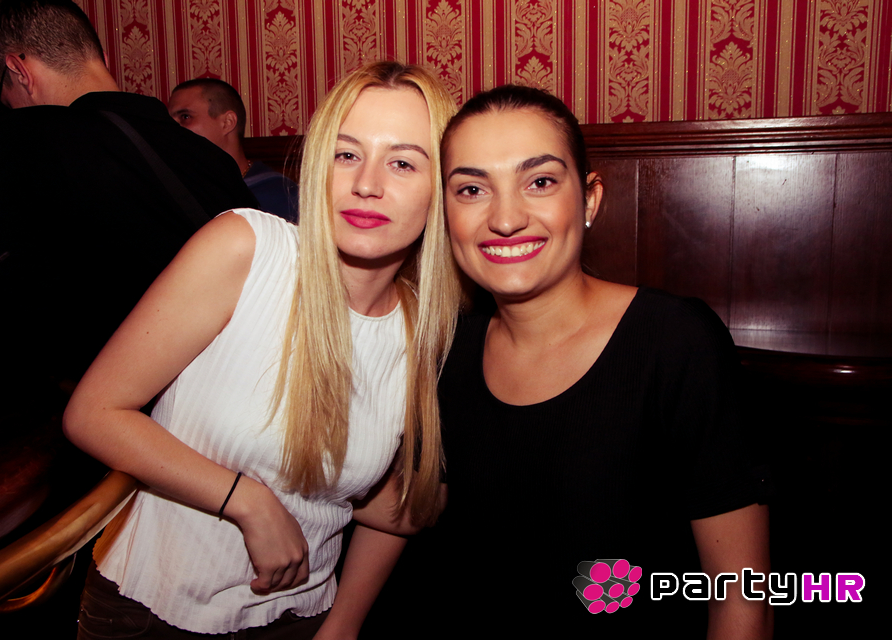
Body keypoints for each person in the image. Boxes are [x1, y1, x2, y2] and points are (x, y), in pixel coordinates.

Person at [63, 61, 460, 638]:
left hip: (303, 615)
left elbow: (394, 508)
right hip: (151, 609)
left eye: (402, 162)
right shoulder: (245, 249)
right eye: (347, 154)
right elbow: (93, 414)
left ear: (441, 191)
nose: (366, 183)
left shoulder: (424, 330)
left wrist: (343, 626)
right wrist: (245, 500)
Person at [412, 85, 772, 637]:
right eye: (472, 189)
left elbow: (743, 598)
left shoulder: (674, 342)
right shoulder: (446, 352)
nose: (505, 218)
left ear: (588, 200)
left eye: (540, 182)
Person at [0, 0, 256, 427]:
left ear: (19, 71)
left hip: (122, 425)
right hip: (238, 404)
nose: (8, 109)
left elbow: (21, 327)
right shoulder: (209, 156)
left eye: (3, 99)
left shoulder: (24, 138)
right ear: (101, 59)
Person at [169, 78, 300, 223]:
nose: (170, 129)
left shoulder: (280, 197)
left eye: (185, 117)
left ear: (227, 122)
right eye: (168, 121)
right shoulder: (176, 191)